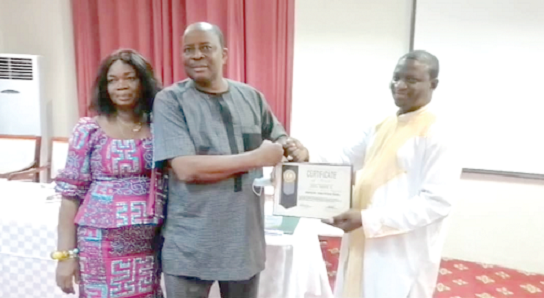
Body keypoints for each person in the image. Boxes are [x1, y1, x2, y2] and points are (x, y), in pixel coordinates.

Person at [152, 22, 309, 298]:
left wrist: (296, 149)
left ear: (224, 54)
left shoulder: (251, 97)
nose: (197, 55)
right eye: (189, 50)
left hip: (243, 241)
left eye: (205, 48)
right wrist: (256, 158)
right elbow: (186, 169)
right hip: (191, 243)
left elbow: (279, 138)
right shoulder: (169, 101)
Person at [288, 50, 461, 298]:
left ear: (433, 84)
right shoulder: (382, 124)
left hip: (401, 251)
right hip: (363, 237)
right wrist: (308, 154)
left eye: (411, 79)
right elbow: (346, 156)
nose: (399, 85)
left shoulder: (439, 133)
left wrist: (368, 219)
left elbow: (437, 203)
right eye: (396, 77)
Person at [54, 49, 166, 298]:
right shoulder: (88, 130)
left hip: (148, 245)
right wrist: (65, 256)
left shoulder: (160, 127)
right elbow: (70, 195)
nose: (121, 86)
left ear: (143, 81)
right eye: (112, 80)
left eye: (129, 77)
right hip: (99, 242)